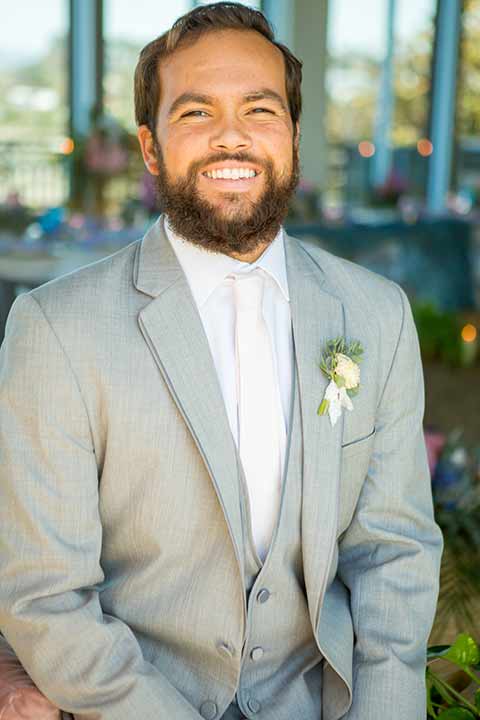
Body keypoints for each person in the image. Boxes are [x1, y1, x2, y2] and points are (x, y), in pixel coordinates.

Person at [0, 3, 443, 719]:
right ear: (151, 148)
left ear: (294, 134)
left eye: (260, 110)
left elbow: (394, 553)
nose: (231, 136)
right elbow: (46, 598)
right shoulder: (56, 328)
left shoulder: (375, 314)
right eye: (196, 113)